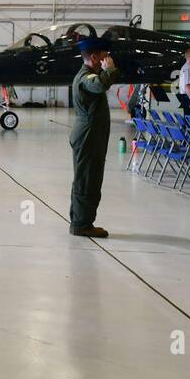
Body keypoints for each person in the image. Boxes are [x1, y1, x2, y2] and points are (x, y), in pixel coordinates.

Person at [69, 36, 120, 238]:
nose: (108, 59)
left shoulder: (89, 74)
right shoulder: (86, 77)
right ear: (95, 56)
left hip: (91, 135)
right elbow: (98, 85)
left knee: (87, 177)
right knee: (87, 179)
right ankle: (82, 224)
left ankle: (80, 221)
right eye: (105, 56)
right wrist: (109, 70)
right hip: (88, 136)